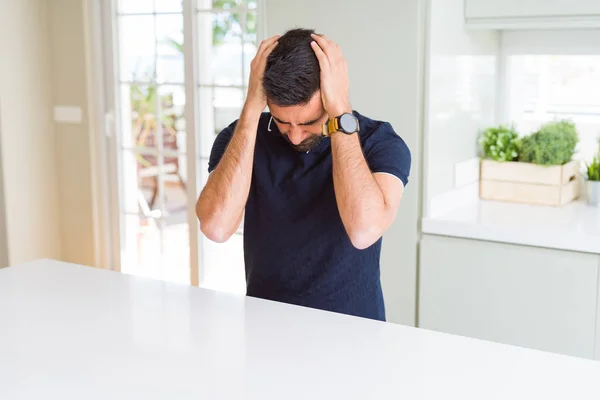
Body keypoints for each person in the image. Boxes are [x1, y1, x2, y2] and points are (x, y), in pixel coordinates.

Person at [196, 28, 411, 321]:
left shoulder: (379, 141)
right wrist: (251, 109)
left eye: (309, 122)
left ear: (332, 94)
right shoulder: (242, 137)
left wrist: (341, 113)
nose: (295, 137)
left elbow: (364, 231)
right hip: (267, 328)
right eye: (282, 121)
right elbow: (216, 227)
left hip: (355, 334)